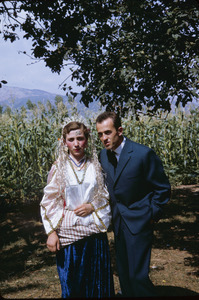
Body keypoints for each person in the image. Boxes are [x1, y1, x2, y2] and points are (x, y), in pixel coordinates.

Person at [96, 111, 171, 297]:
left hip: (140, 220)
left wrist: (152, 216)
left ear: (119, 130)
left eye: (107, 132)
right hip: (118, 223)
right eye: (100, 134)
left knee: (138, 276)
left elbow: (162, 189)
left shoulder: (143, 154)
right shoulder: (103, 156)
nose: (104, 138)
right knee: (124, 275)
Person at [40, 119, 115, 298]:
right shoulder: (59, 167)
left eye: (80, 138)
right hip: (69, 234)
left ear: (87, 140)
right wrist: (51, 232)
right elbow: (50, 200)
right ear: (64, 141)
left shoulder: (95, 165)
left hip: (93, 232)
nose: (76, 144)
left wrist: (92, 206)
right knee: (73, 283)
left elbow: (104, 194)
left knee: (96, 281)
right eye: (71, 139)